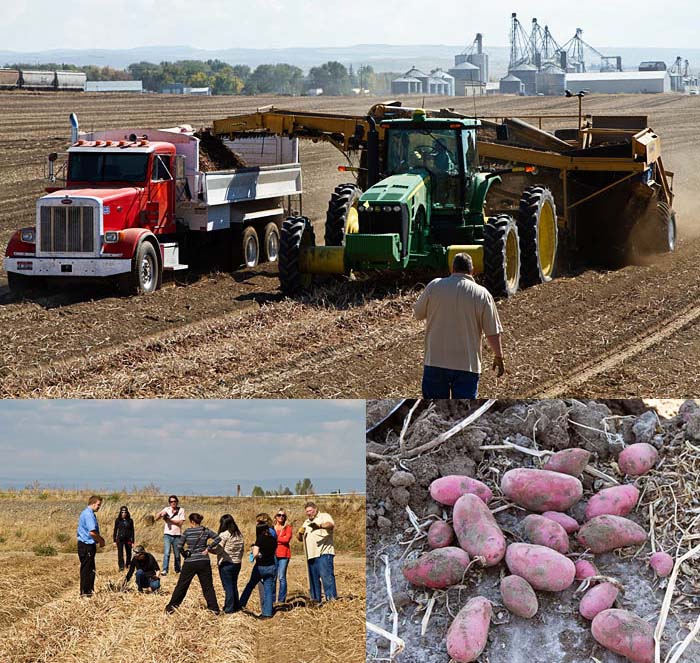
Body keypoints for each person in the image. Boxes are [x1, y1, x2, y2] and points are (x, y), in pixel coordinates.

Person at [413, 252, 505, 398]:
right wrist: (499, 356)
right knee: (462, 410)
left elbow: (418, 313)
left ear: (452, 269)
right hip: (467, 365)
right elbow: (492, 331)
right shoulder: (482, 294)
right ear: (472, 270)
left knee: (434, 409)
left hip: (435, 361)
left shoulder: (434, 286)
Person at [165, 513, 221, 614]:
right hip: (204, 561)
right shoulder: (205, 530)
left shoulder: (187, 532)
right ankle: (214, 608)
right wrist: (208, 548)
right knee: (207, 586)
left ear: (192, 521)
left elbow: (178, 545)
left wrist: (184, 553)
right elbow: (218, 538)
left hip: (190, 561)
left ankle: (171, 607)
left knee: (182, 585)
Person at [297, 501, 337, 602]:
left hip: (324, 552)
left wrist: (319, 526)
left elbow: (331, 525)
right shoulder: (306, 522)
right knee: (313, 580)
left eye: (310, 511)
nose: (309, 513)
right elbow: (300, 539)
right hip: (311, 555)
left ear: (315, 509)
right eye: (307, 512)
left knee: (326, 577)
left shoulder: (324, 516)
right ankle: (315, 600)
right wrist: (299, 534)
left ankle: (331, 599)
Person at [239, 520, 277, 618]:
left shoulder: (260, 538)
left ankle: (240, 604)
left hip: (260, 567)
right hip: (271, 566)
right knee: (268, 589)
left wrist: (258, 554)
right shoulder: (273, 539)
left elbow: (255, 553)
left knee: (250, 585)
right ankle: (267, 613)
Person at [76, 495, 105, 597]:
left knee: (90, 568)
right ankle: (85, 592)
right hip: (86, 545)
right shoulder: (88, 515)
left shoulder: (87, 513)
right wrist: (101, 541)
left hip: (86, 545)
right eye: (98, 505)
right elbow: (92, 532)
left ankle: (88, 591)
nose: (99, 507)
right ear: (93, 504)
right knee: (87, 569)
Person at [216, 514, 244, 614]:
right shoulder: (239, 534)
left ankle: (229, 609)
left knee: (228, 587)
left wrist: (208, 549)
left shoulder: (224, 535)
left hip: (226, 563)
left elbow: (218, 551)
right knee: (233, 585)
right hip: (237, 563)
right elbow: (242, 550)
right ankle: (236, 605)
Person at [155, 495, 185, 576]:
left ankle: (178, 569)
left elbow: (180, 522)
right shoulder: (166, 509)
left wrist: (169, 520)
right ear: (169, 503)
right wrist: (161, 514)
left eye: (175, 501)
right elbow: (156, 518)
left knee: (177, 554)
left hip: (177, 535)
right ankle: (165, 569)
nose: (173, 503)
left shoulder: (181, 510)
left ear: (177, 502)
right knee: (167, 553)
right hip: (167, 534)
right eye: (171, 501)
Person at [274, 509, 292, 603]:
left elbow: (287, 539)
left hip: (284, 555)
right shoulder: (272, 527)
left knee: (281, 577)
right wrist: (281, 538)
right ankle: (272, 600)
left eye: (283, 515)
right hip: (273, 554)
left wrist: (275, 538)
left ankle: (281, 600)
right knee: (273, 577)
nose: (281, 517)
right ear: (275, 516)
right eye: (279, 515)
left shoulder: (288, 527)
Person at [113, 506, 135, 572]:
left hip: (128, 539)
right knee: (120, 553)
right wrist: (114, 540)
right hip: (120, 539)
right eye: (122, 512)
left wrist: (133, 541)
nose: (124, 513)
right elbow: (115, 530)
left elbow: (132, 531)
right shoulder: (118, 520)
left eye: (125, 512)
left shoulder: (130, 521)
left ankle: (128, 564)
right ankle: (121, 567)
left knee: (129, 553)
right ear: (120, 512)